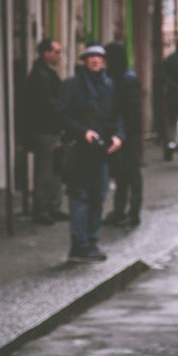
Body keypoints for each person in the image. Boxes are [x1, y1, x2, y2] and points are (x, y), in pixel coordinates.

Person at [56, 44, 123, 263]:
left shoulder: (109, 86)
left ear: (104, 62)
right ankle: (79, 245)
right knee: (79, 197)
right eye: (90, 57)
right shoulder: (72, 85)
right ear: (84, 61)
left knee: (99, 196)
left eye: (99, 58)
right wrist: (83, 132)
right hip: (79, 150)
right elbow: (61, 115)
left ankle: (91, 242)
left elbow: (116, 115)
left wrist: (118, 136)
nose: (95, 61)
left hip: (101, 151)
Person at [23, 38, 67, 225]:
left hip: (51, 128)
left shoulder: (46, 73)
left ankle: (52, 206)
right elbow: (43, 104)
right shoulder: (40, 76)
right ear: (45, 53)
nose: (58, 56)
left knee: (54, 169)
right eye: (55, 52)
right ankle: (42, 209)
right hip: (44, 128)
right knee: (45, 170)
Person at [103, 41, 143, 228]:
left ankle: (133, 213)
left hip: (129, 136)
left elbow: (133, 112)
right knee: (121, 174)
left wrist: (126, 134)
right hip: (121, 134)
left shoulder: (126, 80)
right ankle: (120, 210)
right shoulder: (115, 78)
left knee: (131, 175)